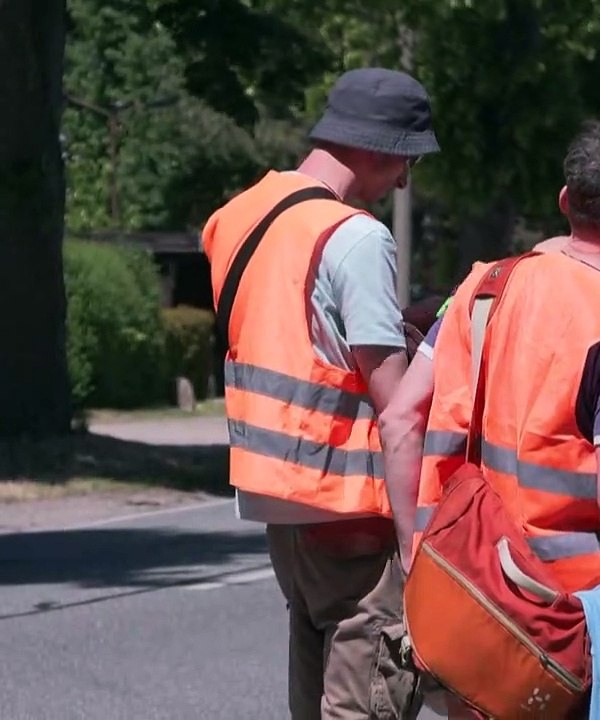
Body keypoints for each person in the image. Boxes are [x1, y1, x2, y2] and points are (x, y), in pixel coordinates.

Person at [381, 108, 600, 614]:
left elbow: (399, 419)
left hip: (464, 586)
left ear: (564, 201)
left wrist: (412, 551)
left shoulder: (484, 287)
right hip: (569, 615)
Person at [202, 67, 438, 720]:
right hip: (353, 505)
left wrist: (397, 330)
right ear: (374, 148)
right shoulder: (355, 236)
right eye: (404, 162)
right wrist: (415, 537)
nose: (405, 181)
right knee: (369, 693)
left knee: (315, 677)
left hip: (281, 498)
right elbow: (397, 411)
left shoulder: (241, 217)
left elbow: (299, 337)